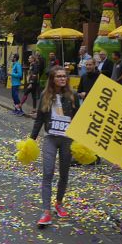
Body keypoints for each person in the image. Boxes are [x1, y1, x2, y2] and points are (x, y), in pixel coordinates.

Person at [30, 66, 80, 226]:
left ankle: (58, 203)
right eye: (58, 76)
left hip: (67, 139)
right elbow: (39, 119)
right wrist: (32, 139)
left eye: (64, 76)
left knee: (64, 174)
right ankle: (46, 211)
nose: (62, 79)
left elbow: (79, 117)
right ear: (52, 79)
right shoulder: (45, 95)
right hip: (50, 138)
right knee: (48, 173)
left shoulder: (73, 96)